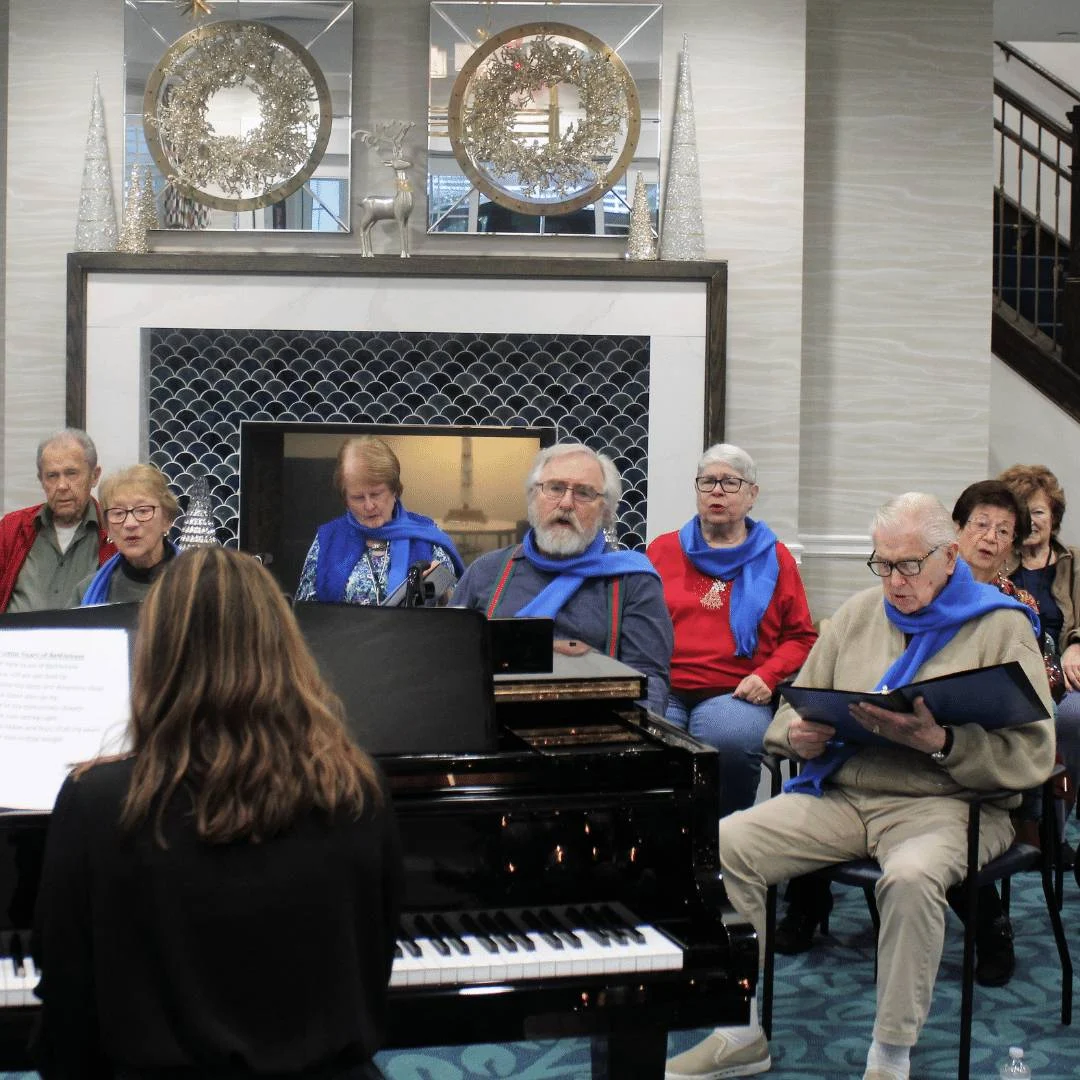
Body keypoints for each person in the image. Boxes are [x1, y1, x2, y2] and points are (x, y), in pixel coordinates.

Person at [665, 493, 1054, 1080]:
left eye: (909, 564)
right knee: (724, 846)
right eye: (883, 563)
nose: (894, 580)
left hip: (948, 805)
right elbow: (788, 716)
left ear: (950, 556)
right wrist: (799, 739)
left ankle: (889, 1058)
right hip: (846, 794)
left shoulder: (1000, 628)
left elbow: (1034, 755)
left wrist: (943, 744)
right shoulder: (857, 614)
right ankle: (738, 1032)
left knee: (911, 877)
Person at [33, 547, 403, 1077]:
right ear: (284, 648)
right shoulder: (358, 789)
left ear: (156, 654)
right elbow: (373, 971)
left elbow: (68, 1010)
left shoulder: (95, 800)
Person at [646, 444, 816, 817]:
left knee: (727, 740)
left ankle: (722, 847)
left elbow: (802, 637)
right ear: (697, 491)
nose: (717, 491)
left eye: (730, 482)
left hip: (736, 691)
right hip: (667, 687)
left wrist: (769, 676)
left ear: (752, 495)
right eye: (708, 482)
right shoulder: (662, 550)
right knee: (644, 742)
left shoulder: (777, 558)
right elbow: (639, 625)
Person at [452, 442, 674, 716]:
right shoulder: (486, 571)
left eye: (584, 492)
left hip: (594, 730)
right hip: (495, 726)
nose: (567, 503)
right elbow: (452, 663)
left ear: (605, 511)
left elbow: (648, 682)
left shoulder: (634, 580)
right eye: (555, 488)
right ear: (533, 497)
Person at [998, 463, 1080, 821]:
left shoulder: (1073, 561)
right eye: (1022, 512)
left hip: (1068, 671)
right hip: (1015, 673)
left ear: (1054, 517)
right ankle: (1025, 822)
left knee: (1073, 716)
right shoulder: (996, 565)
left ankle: (1057, 827)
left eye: (1039, 512)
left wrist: (1076, 644)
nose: (1031, 521)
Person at [295, 435, 464, 605]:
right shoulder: (328, 538)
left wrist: (442, 592)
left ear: (395, 490)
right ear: (345, 500)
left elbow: (456, 612)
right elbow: (304, 614)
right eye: (358, 498)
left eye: (376, 494)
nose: (369, 506)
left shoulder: (427, 537)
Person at [0, 429, 114, 612]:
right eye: (52, 476)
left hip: (87, 639)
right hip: (16, 639)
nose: (61, 486)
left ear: (94, 476)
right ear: (41, 480)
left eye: (71, 473)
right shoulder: (12, 529)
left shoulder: (113, 531)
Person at [72, 463, 179, 605]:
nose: (130, 523)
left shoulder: (198, 583)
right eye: (118, 513)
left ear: (167, 519)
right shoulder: (86, 591)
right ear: (107, 527)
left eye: (143, 511)